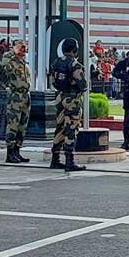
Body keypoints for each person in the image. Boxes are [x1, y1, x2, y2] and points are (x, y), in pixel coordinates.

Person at [49, 38, 87, 172]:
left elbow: (53, 81)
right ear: (74, 50)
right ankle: (69, 161)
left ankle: (55, 159)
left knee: (59, 128)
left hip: (60, 96)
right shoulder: (75, 65)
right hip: (72, 99)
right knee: (71, 128)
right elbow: (83, 85)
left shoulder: (56, 62)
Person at [0, 40, 31, 164]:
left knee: (22, 125)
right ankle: (10, 153)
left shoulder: (24, 63)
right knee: (13, 125)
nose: (24, 49)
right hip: (15, 96)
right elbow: (3, 62)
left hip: (25, 96)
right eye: (21, 47)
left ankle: (17, 151)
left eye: (24, 47)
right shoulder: (10, 61)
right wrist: (13, 51)